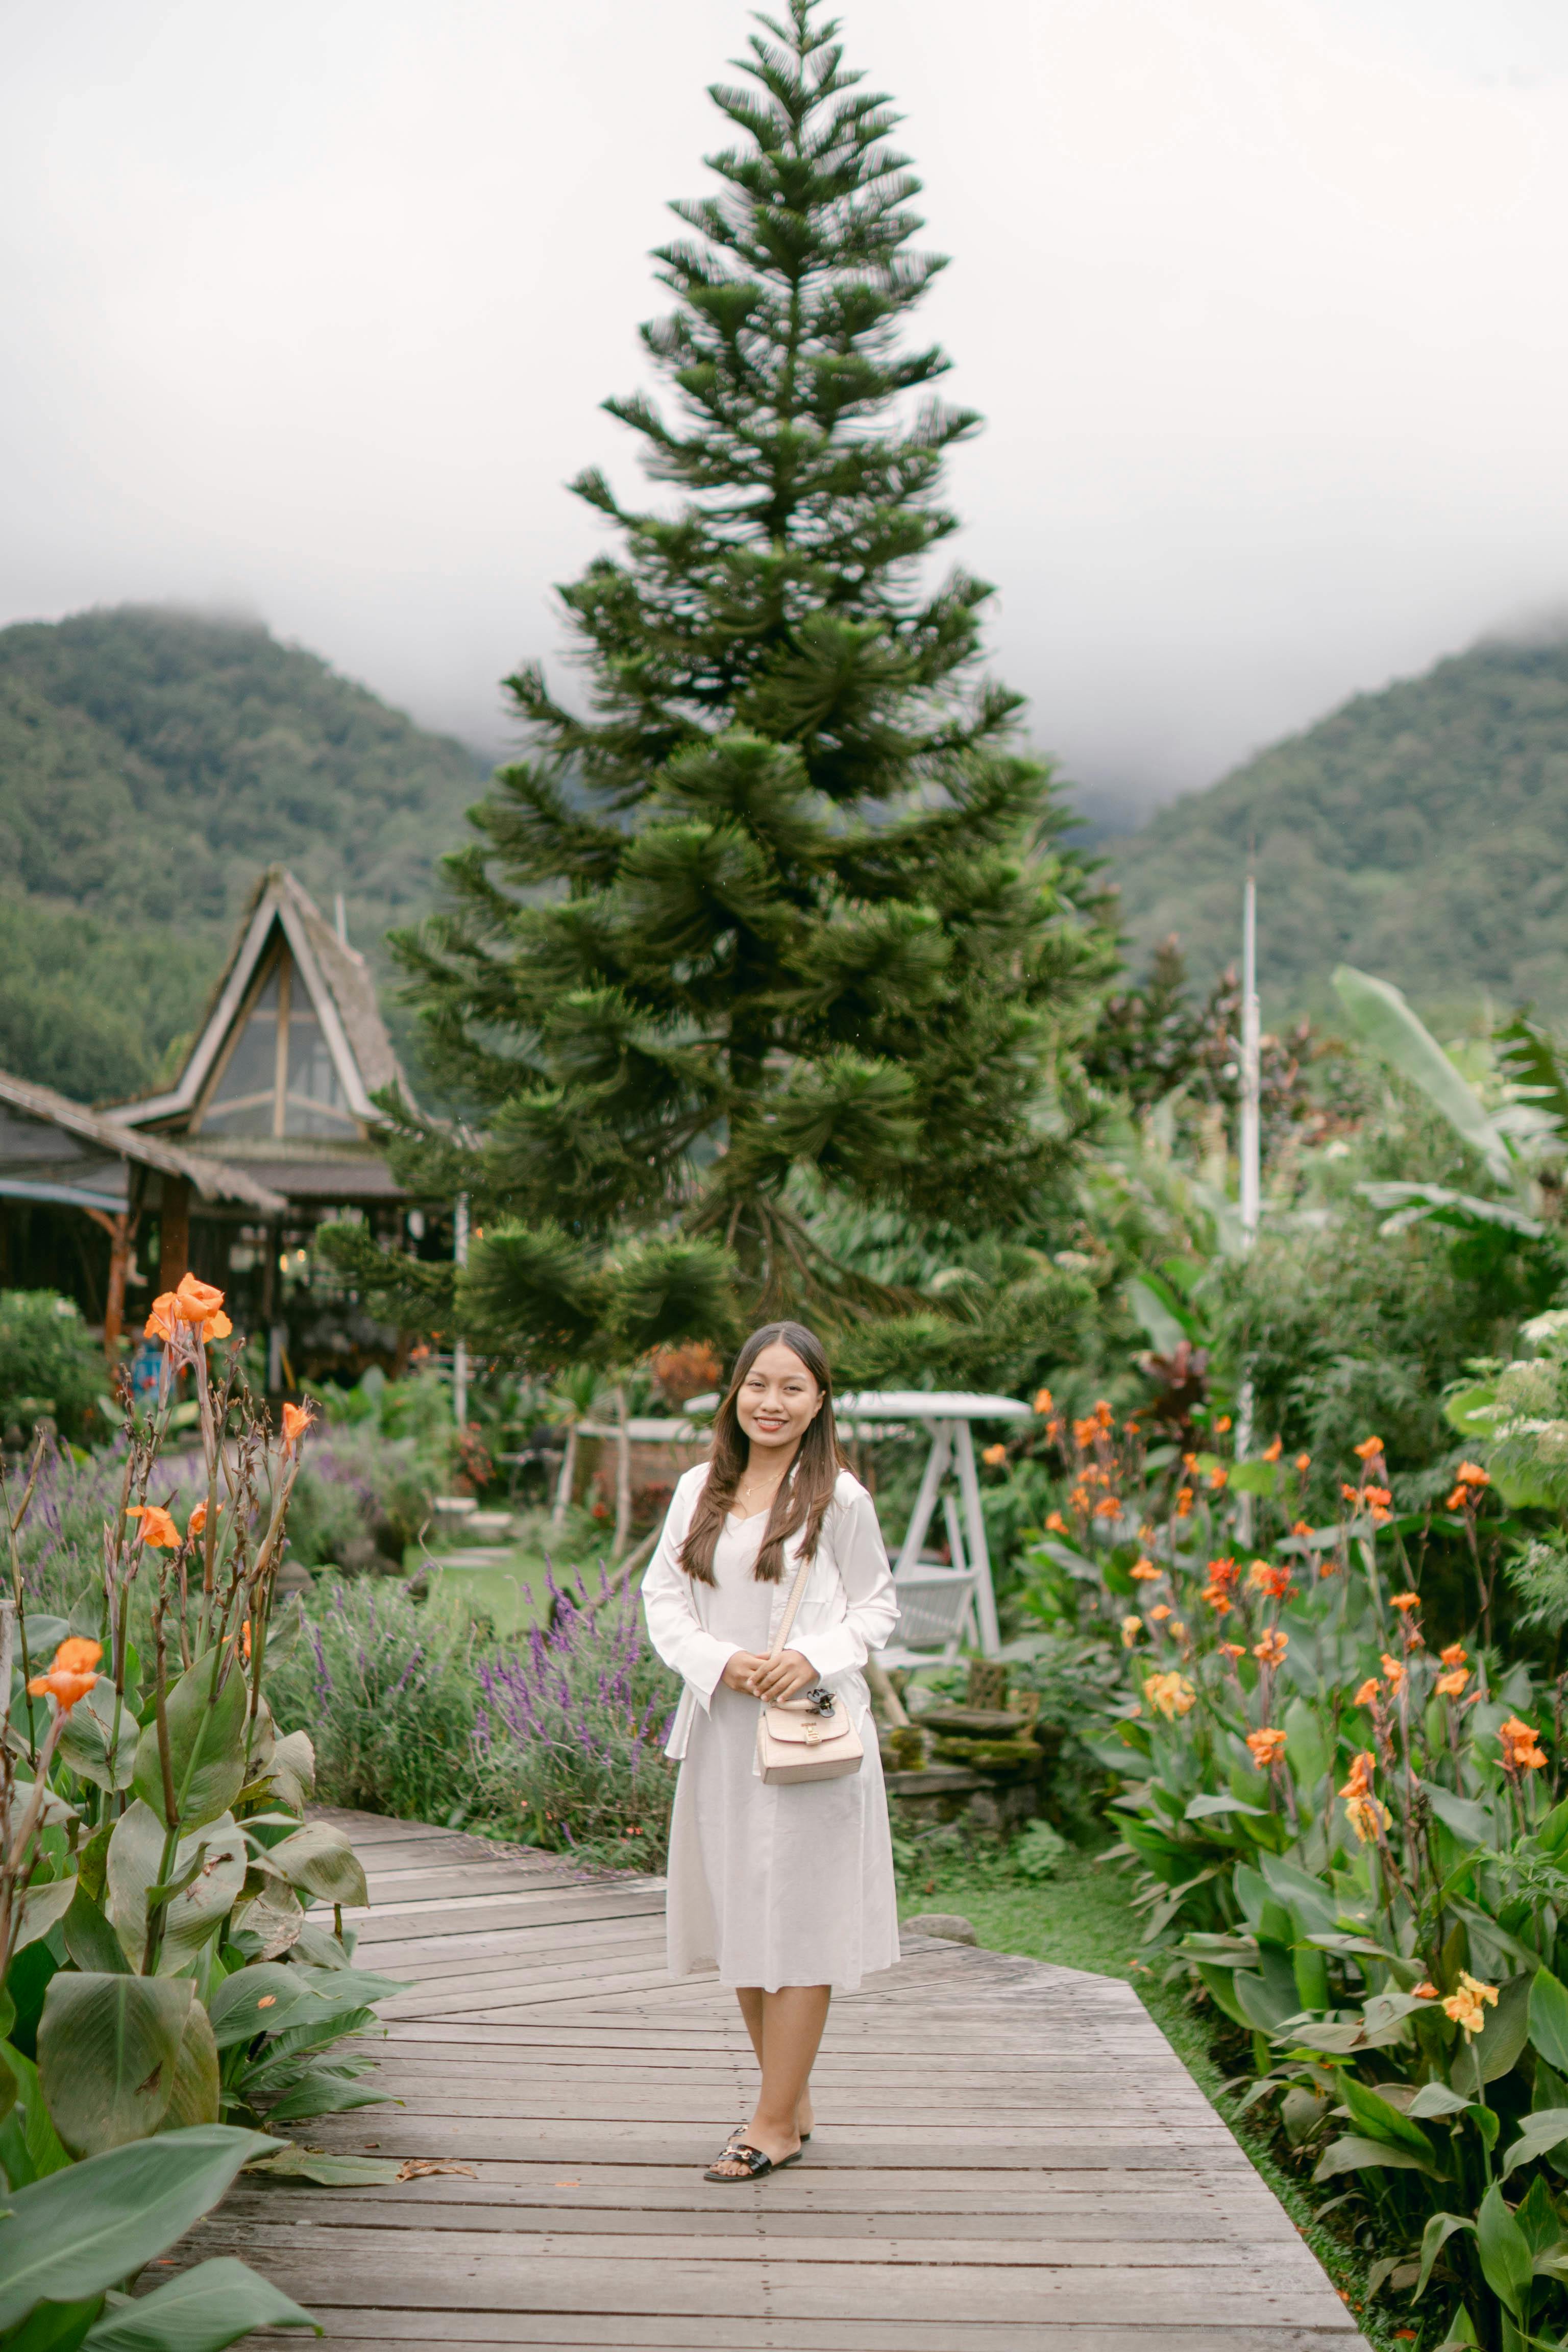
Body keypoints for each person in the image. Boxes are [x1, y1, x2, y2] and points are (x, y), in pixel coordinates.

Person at [642, 1319, 900, 2181]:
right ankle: (789, 2097)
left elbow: (877, 1608)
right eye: (759, 1384)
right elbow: (664, 1599)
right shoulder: (697, 1490)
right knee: (744, 1919)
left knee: (801, 1923)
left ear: (820, 1400)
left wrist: (808, 1656)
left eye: (793, 1387)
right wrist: (722, 1662)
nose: (772, 1402)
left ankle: (771, 2124)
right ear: (736, 1393)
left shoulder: (841, 1499)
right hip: (722, 1729)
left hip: (810, 1738)